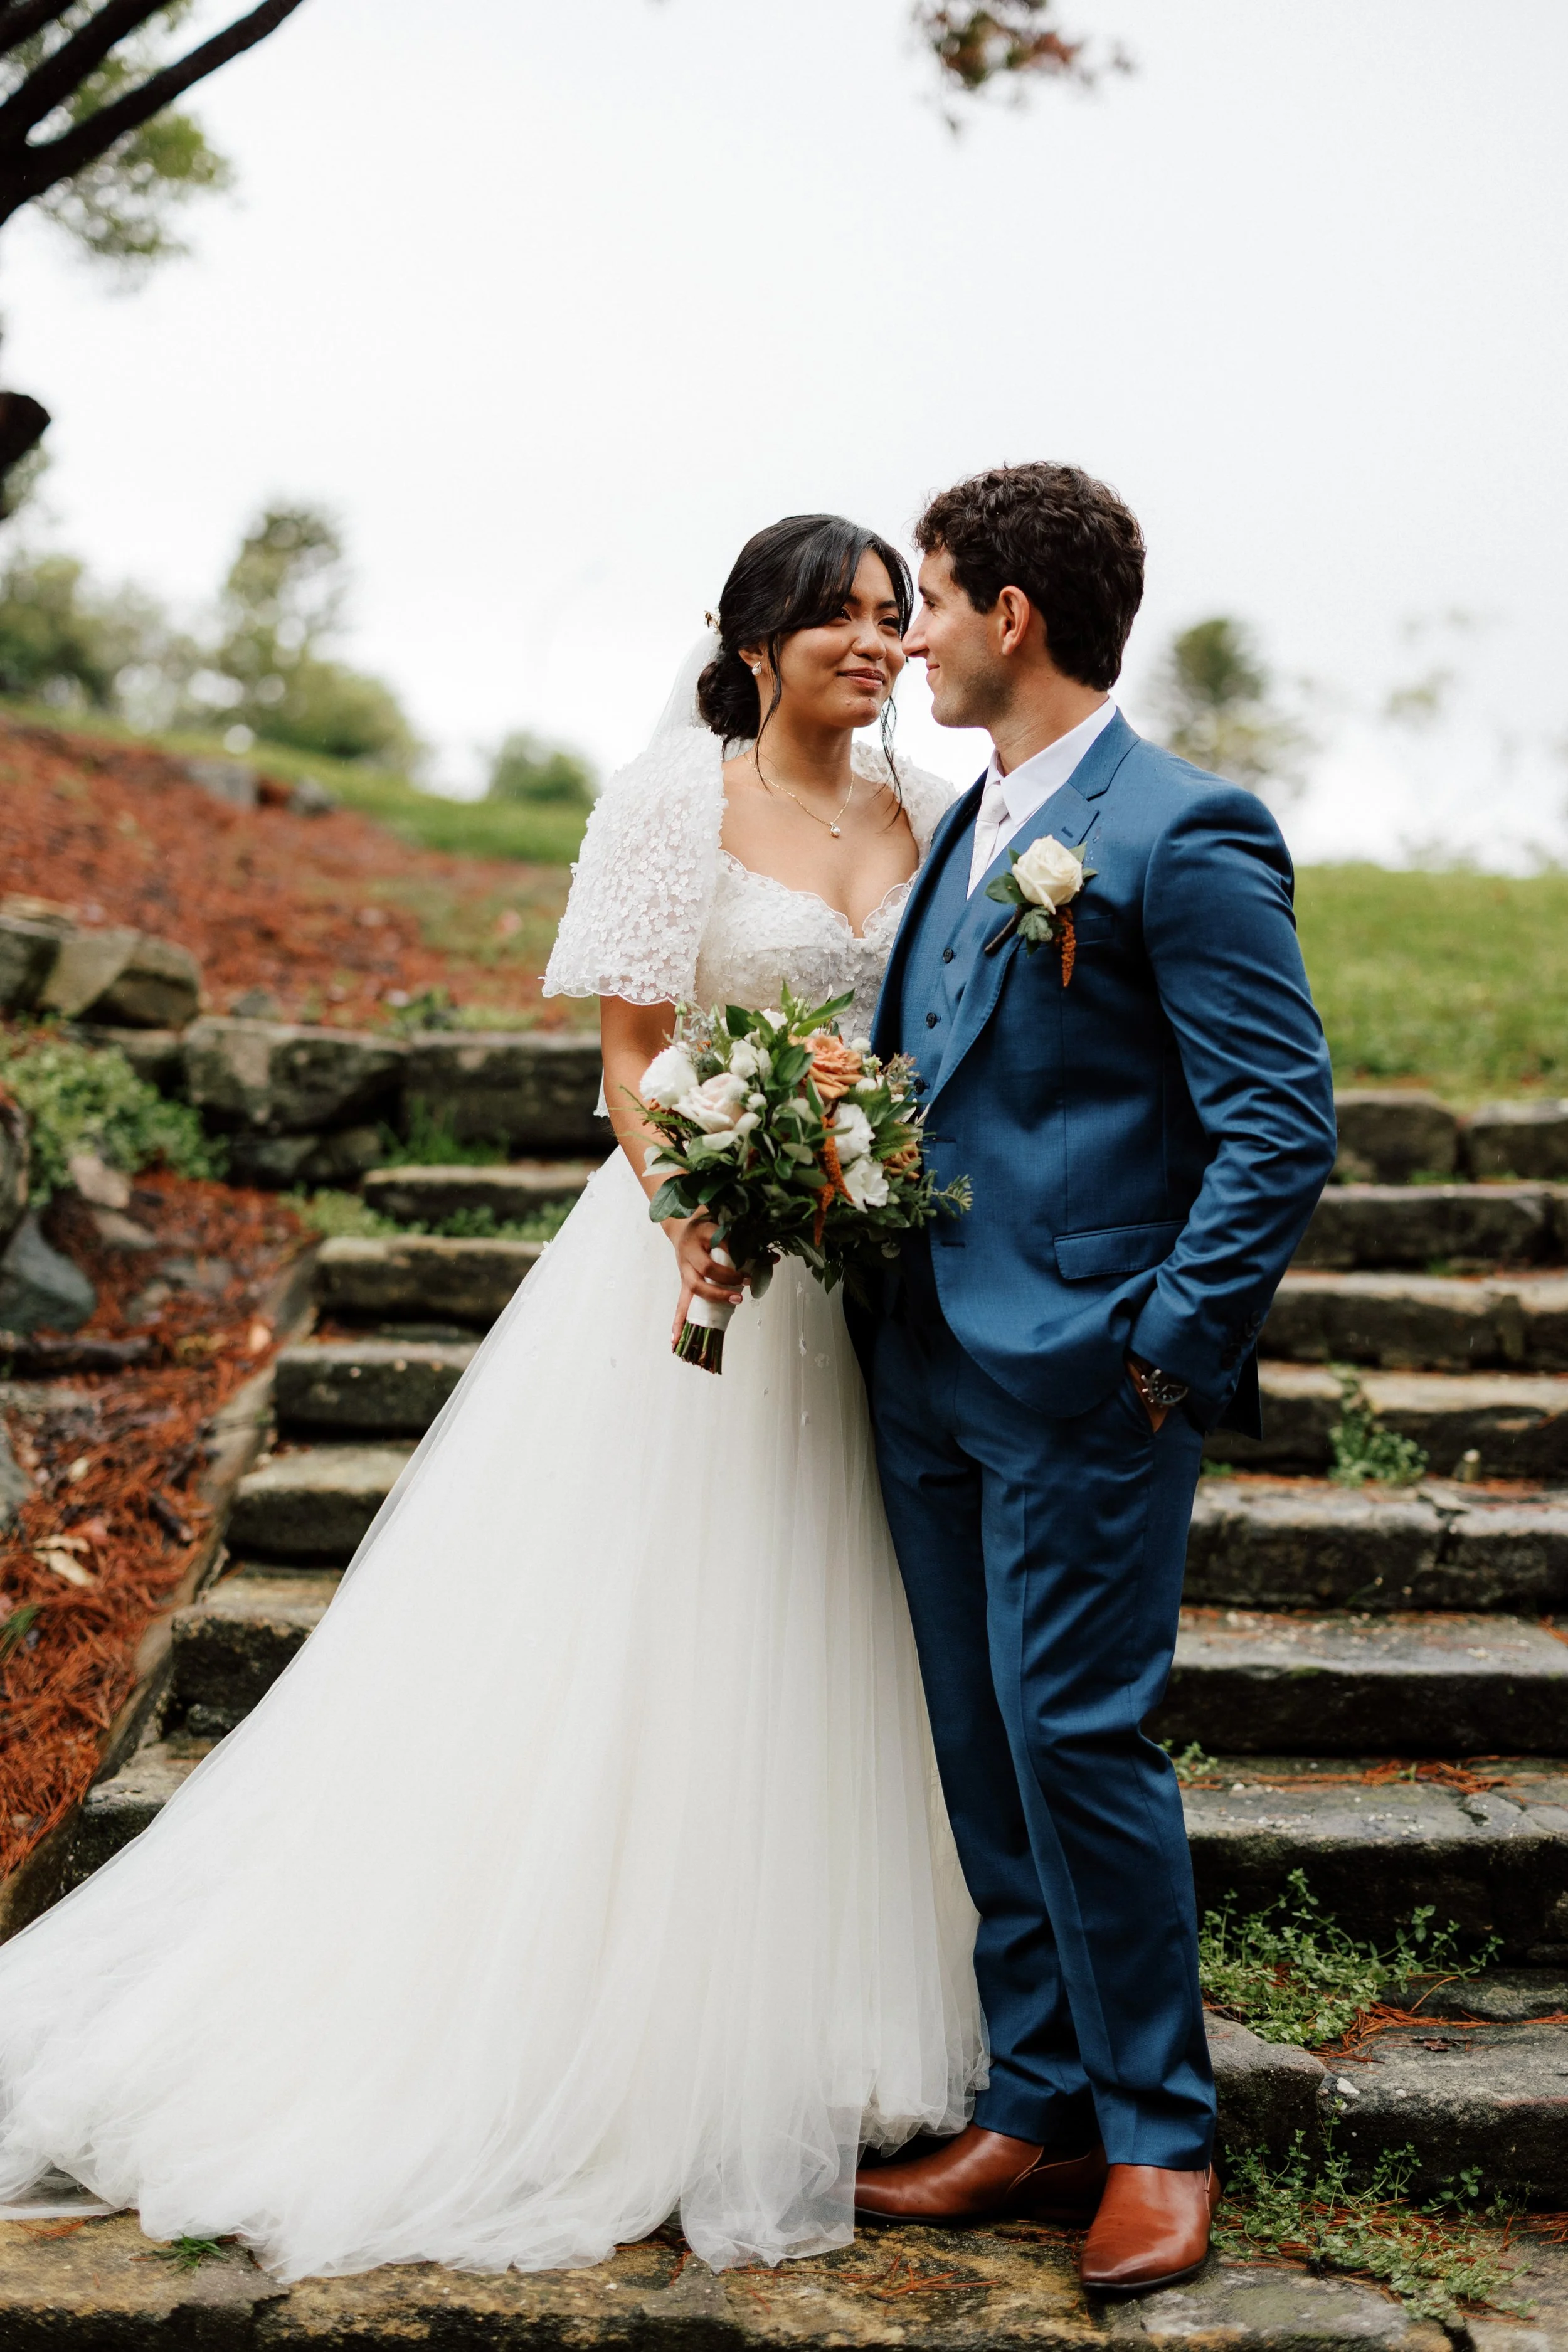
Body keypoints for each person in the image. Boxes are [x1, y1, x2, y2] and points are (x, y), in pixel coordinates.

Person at [0, 515, 985, 2283]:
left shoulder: (922, 819)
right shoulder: (669, 801)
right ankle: (595, 2017)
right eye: (836, 613)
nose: (871, 637)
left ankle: (807, 2008)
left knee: (836, 1627)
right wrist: (700, 1212)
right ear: (751, 641)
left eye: (889, 614)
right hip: (689, 1256)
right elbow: (625, 1056)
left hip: (862, 1279)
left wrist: (856, 1163)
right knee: (654, 1628)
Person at [851, 464, 1338, 2294]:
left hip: (1084, 1378)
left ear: (1010, 620)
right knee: (978, 1740)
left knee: (1076, 1738)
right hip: (919, 1364)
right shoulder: (967, 820)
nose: (906, 634)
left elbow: (1277, 1127)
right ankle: (1033, 2103)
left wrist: (1162, 1352)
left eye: (931, 598)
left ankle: (1154, 2132)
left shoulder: (1180, 831)